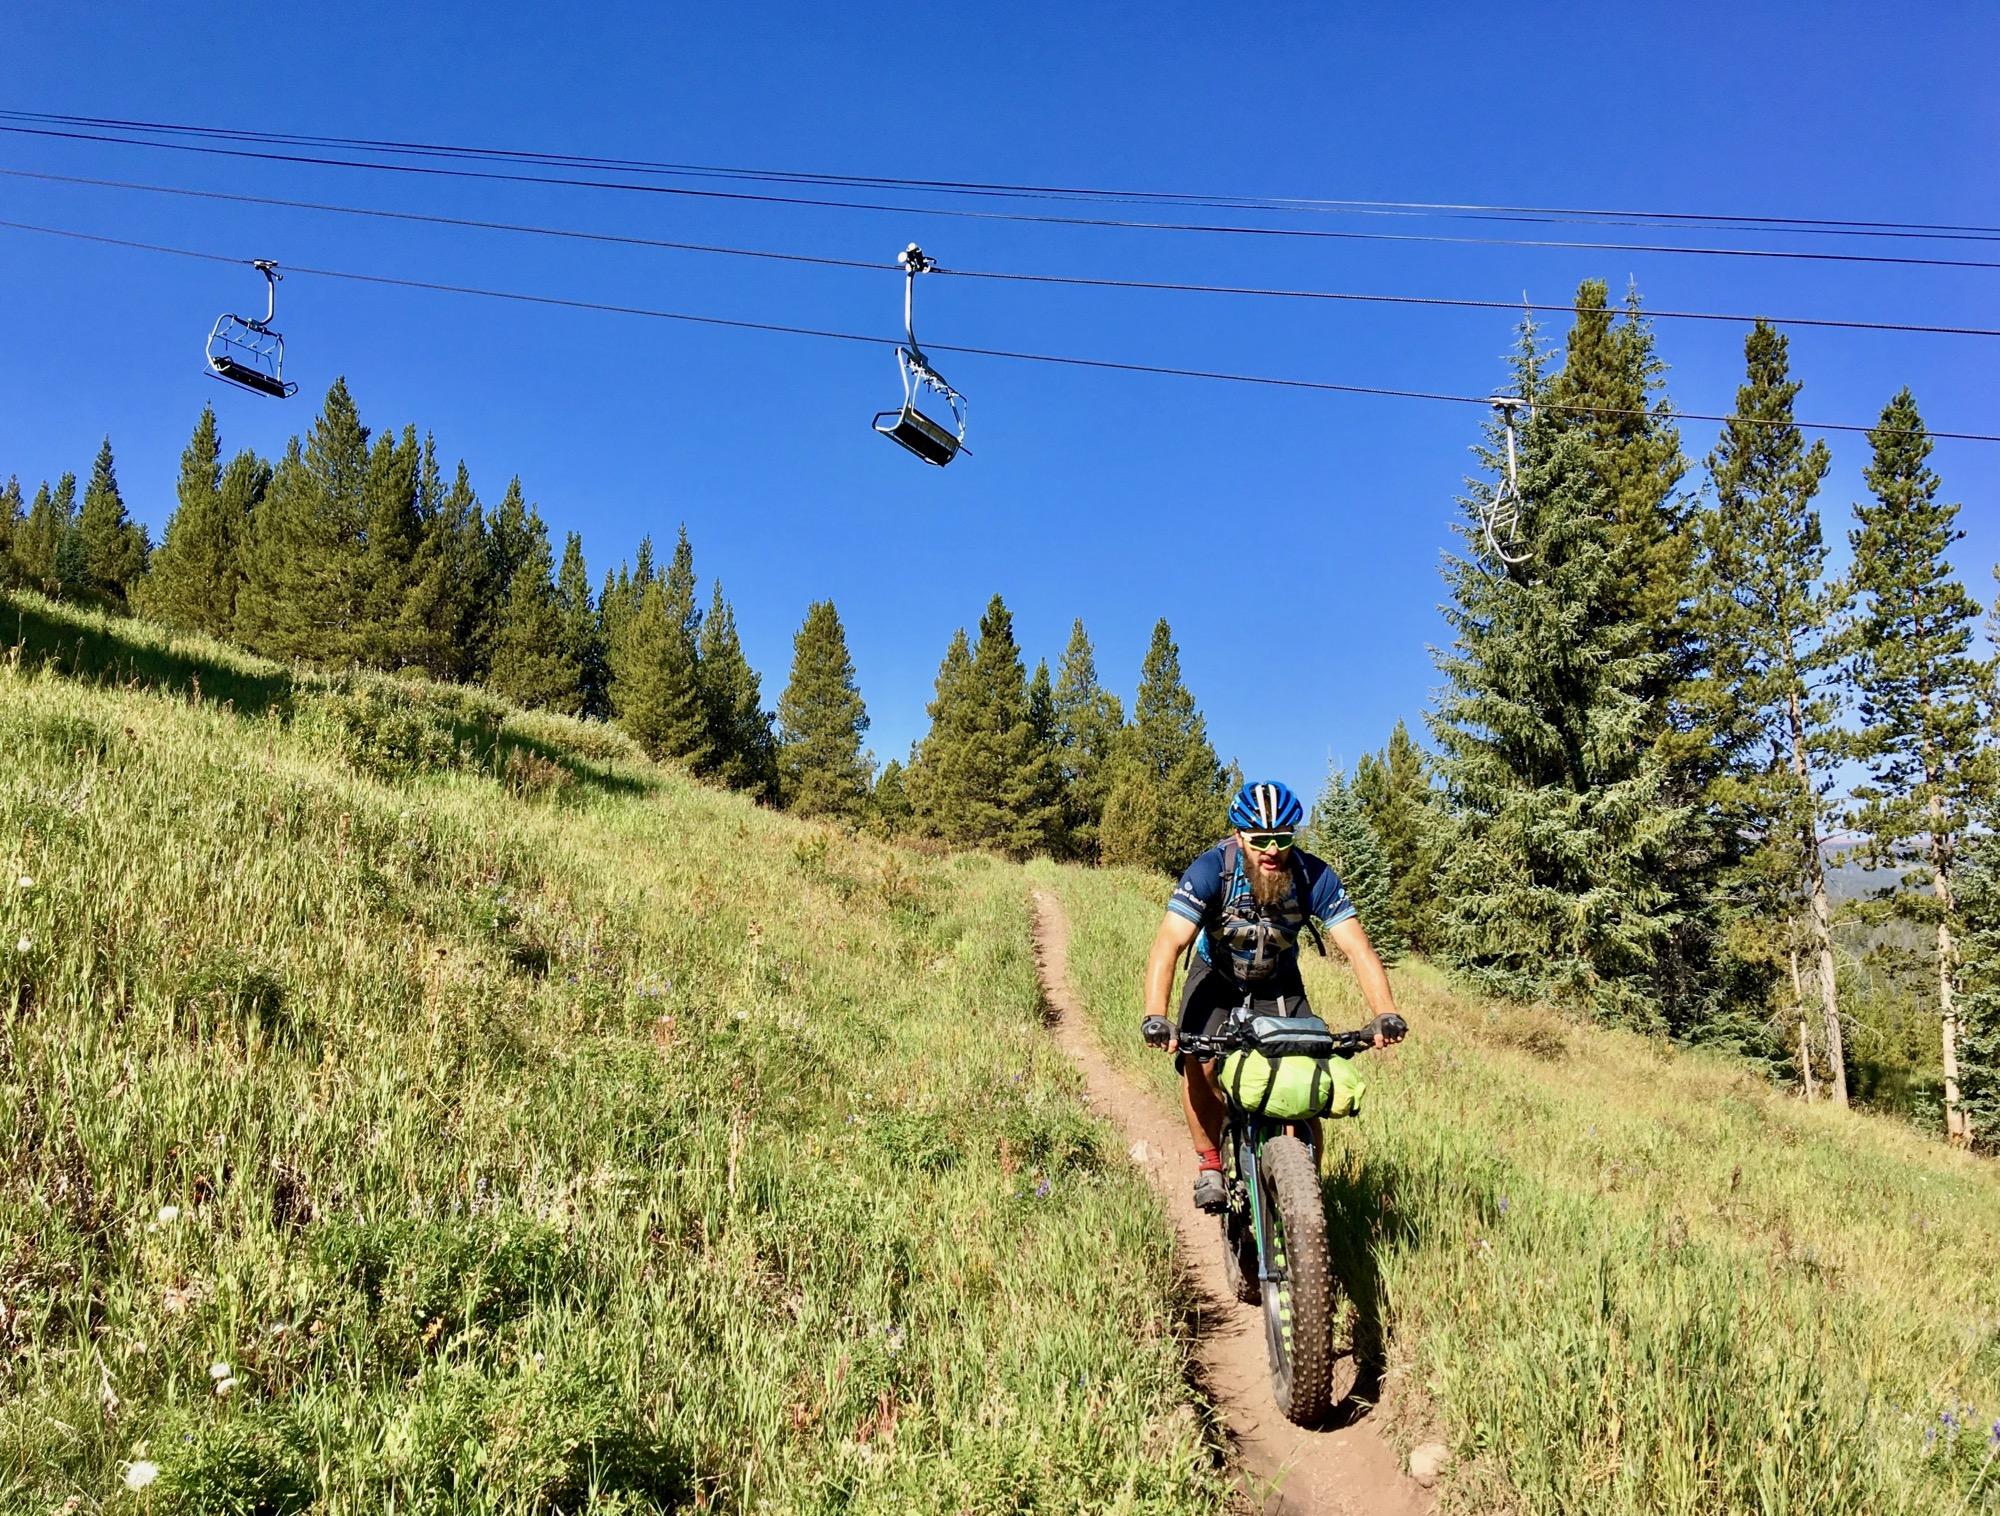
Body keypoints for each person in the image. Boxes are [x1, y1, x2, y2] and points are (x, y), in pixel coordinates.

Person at [1140, 779, 1405, 1211]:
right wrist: (1156, 1014)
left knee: (1304, 1080)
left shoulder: (1311, 875)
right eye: (1260, 839)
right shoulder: (1211, 869)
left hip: (1278, 981)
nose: (1272, 850)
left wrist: (1385, 1013)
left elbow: (1357, 948)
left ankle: (1303, 1199)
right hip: (1216, 978)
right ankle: (1210, 1164)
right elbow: (1169, 943)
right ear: (1239, 834)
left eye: (1282, 839)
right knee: (1200, 1065)